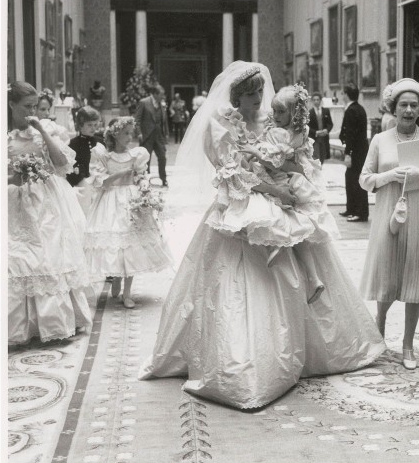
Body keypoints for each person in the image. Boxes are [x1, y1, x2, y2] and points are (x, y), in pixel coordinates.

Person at [138, 61, 385, 410]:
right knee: (239, 283)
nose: (258, 99)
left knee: (303, 246)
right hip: (241, 206)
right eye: (250, 95)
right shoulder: (222, 126)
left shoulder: (272, 122)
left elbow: (291, 156)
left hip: (279, 200)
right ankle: (246, 361)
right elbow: (233, 174)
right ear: (236, 97)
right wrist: (275, 191)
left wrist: (289, 176)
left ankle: (312, 345)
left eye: (259, 93)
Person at [359, 78, 419, 370]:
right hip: (390, 213)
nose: (409, 110)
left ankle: (408, 344)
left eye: (414, 105)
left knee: (414, 276)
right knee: (388, 275)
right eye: (404, 105)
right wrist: (390, 176)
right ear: (393, 108)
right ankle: (380, 326)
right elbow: (365, 180)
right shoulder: (380, 140)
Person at [225, 84, 337, 304]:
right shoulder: (297, 131)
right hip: (295, 178)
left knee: (280, 206)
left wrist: (255, 152)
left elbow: (276, 163)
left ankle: (280, 243)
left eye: (280, 112)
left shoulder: (280, 133)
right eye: (274, 111)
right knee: (290, 213)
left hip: (285, 178)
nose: (275, 115)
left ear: (294, 113)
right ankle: (312, 276)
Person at [7, 81, 92, 346]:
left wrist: (42, 130)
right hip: (15, 202)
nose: (33, 111)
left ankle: (54, 322)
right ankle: (17, 328)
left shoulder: (45, 130)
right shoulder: (5, 137)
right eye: (27, 107)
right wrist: (14, 176)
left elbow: (62, 163)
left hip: (46, 204)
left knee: (48, 257)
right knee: (17, 258)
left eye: (36, 106)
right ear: (11, 105)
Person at [83, 117, 172, 308]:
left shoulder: (137, 155)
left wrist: (145, 188)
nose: (130, 136)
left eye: (131, 133)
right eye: (125, 133)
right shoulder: (104, 156)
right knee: (117, 244)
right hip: (110, 201)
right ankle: (116, 278)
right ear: (115, 134)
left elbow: (141, 176)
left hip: (131, 200)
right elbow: (101, 182)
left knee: (132, 245)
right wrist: (121, 174)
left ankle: (127, 292)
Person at [339, 84, 370, 222]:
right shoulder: (359, 108)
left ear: (346, 94)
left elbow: (351, 134)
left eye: (343, 93)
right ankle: (351, 208)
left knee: (356, 181)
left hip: (356, 152)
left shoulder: (351, 110)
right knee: (351, 179)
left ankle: (360, 212)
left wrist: (348, 153)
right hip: (361, 151)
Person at [67, 106, 105, 214]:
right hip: (82, 181)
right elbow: (70, 165)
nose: (93, 128)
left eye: (95, 125)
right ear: (80, 125)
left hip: (99, 179)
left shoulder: (100, 141)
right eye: (89, 125)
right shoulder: (73, 143)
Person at [134, 84, 169, 186]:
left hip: (159, 136)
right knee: (145, 160)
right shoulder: (144, 102)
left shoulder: (162, 104)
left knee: (162, 157)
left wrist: (166, 133)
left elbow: (164, 121)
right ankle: (145, 180)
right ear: (154, 94)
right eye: (161, 95)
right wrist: (139, 133)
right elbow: (137, 119)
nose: (162, 97)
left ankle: (163, 178)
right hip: (147, 136)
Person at [307, 91, 333, 164]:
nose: (316, 101)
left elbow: (330, 124)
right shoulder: (310, 113)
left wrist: (327, 130)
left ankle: (321, 170)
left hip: (324, 138)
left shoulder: (326, 111)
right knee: (316, 157)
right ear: (312, 101)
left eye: (317, 99)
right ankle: (317, 172)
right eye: (314, 100)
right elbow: (308, 127)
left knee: (323, 156)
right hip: (315, 138)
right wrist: (315, 132)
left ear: (320, 100)